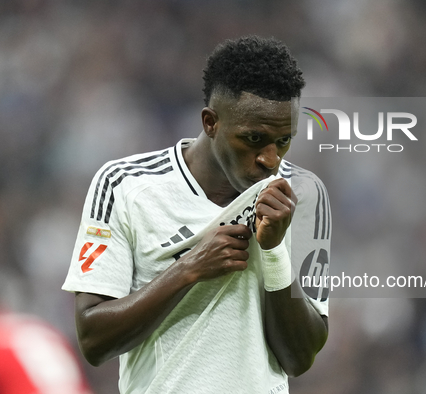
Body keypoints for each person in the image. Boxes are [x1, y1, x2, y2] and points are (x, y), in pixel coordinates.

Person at [62, 36, 331, 394]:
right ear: (210, 123)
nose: (270, 159)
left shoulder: (304, 194)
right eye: (254, 139)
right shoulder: (124, 186)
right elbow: (94, 340)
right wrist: (188, 269)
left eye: (283, 141)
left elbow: (298, 358)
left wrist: (273, 251)